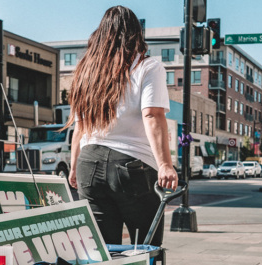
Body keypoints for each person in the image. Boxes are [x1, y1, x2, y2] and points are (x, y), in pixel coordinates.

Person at [66, 6, 178, 247]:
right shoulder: (148, 66)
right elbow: (152, 115)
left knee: (103, 250)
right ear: (136, 34)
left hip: (88, 164)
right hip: (131, 166)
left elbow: (80, 126)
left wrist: (74, 166)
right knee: (145, 248)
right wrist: (165, 165)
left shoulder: (86, 72)